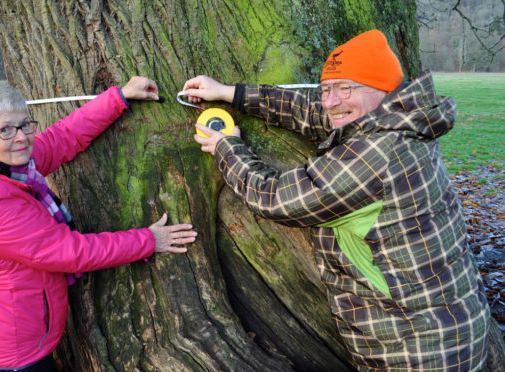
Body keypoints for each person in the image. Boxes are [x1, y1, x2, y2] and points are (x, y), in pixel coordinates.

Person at [183, 30, 490, 371]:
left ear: (381, 88)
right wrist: (231, 93)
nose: (331, 100)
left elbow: (277, 198)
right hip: (451, 327)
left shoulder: (377, 154)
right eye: (328, 88)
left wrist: (226, 147)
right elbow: (316, 112)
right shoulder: (399, 122)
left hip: (420, 351)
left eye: (346, 88)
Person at [0, 76, 197, 371]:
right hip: (11, 351)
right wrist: (148, 240)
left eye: (24, 125)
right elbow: (71, 252)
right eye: (4, 129)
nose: (20, 137)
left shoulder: (8, 167)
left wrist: (119, 97)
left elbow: (62, 137)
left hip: (18, 332)